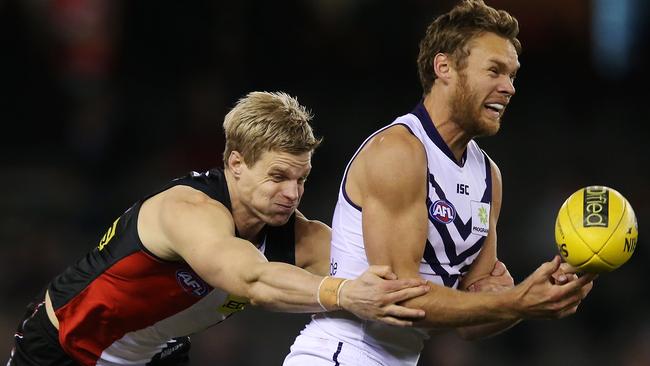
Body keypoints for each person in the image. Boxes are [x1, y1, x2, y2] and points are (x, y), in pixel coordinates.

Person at [6, 91, 432, 366]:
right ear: (236, 164)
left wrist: (480, 286)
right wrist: (342, 292)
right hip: (65, 349)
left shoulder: (300, 236)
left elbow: (396, 277)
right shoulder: (188, 210)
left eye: (301, 179)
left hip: (153, 355)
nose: (292, 193)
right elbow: (253, 279)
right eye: (279, 176)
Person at [283, 1, 597, 365]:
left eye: (512, 75)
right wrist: (514, 300)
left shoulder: (488, 176)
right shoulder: (399, 150)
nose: (508, 87)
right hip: (341, 354)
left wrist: (536, 299)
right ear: (444, 67)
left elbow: (473, 321)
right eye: (494, 71)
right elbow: (398, 300)